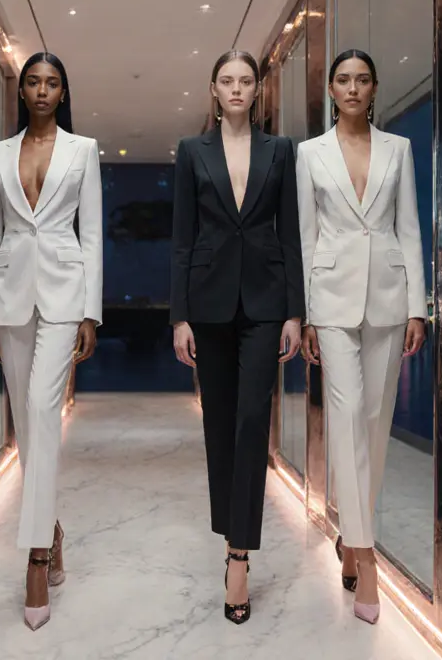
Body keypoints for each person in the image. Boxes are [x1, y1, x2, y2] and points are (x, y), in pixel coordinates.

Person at [169, 49, 303, 625]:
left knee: (253, 422)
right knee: (217, 423)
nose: (237, 88)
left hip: (266, 302)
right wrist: (179, 316)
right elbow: (182, 237)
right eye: (227, 80)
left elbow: (292, 233)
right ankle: (229, 530)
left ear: (258, 89)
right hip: (208, 302)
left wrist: (296, 312)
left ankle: (238, 554)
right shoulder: (191, 151)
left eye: (246, 80)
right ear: (213, 90)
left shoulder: (281, 150)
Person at [297, 49, 427, 625]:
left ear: (375, 89)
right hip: (330, 297)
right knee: (347, 415)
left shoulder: (399, 149)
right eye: (343, 79)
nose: (352, 88)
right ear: (331, 89)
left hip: (390, 297)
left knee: (376, 420)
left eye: (362, 79)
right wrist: (305, 314)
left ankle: (353, 528)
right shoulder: (309, 154)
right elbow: (305, 236)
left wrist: (418, 308)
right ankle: (366, 557)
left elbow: (410, 229)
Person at [0, 51, 102, 631]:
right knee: (25, 422)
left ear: (63, 91)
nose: (43, 90)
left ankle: (33, 558)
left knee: (45, 412)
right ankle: (48, 524)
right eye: (33, 82)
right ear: (21, 91)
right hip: (8, 297)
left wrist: (91, 312)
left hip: (63, 295)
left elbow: (92, 234)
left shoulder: (84, 150)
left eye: (52, 82)